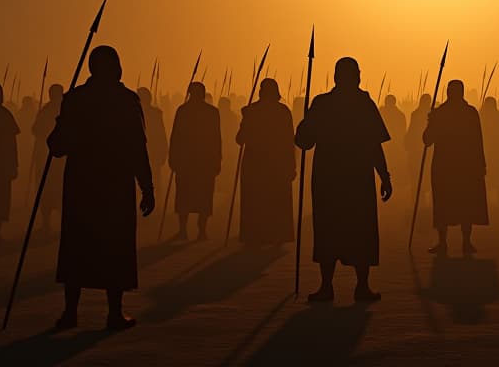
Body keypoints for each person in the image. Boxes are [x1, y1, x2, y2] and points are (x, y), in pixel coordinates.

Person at [47, 46, 155, 330]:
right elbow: (137, 148)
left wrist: (61, 125)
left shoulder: (75, 99)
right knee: (113, 245)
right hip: (114, 184)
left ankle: (71, 312)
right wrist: (147, 185)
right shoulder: (126, 100)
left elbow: (57, 146)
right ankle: (113, 313)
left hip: (82, 183)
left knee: (77, 244)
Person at [295, 57, 392, 303]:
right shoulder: (332, 104)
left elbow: (374, 144)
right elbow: (305, 142)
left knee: (355, 231)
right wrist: (304, 127)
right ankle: (331, 287)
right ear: (341, 76)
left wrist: (384, 174)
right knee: (336, 231)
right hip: (341, 178)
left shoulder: (346, 103)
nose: (357, 77)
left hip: (345, 178)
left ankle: (358, 287)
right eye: (354, 73)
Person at [423, 80, 488, 256]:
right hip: (459, 165)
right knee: (460, 203)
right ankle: (460, 242)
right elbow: (428, 140)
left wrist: (431, 121)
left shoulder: (442, 114)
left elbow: (427, 140)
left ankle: (451, 242)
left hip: (449, 166)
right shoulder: (467, 113)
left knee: (451, 202)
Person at [236, 78, 296, 246]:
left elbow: (240, 139)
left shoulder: (252, 112)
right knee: (275, 200)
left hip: (256, 164)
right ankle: (276, 235)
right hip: (276, 164)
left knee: (256, 200)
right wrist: (291, 166)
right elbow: (289, 142)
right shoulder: (283, 112)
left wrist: (246, 118)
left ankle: (255, 235)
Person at [168, 82, 222, 241]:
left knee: (197, 195)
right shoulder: (189, 111)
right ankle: (192, 230)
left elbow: (216, 138)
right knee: (191, 195)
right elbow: (176, 136)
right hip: (193, 161)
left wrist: (217, 159)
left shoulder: (186, 111)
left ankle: (195, 230)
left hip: (197, 161)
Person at [33, 84, 66, 234]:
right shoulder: (46, 111)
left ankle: (61, 223)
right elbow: (35, 129)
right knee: (46, 191)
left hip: (61, 159)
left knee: (60, 191)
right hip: (46, 156)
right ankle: (46, 222)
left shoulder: (66, 110)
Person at [0, 82, 18, 244]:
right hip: (3, 165)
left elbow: (12, 144)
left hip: (3, 165)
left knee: (2, 200)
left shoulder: (5, 115)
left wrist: (14, 165)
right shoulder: (4, 114)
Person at [138, 87, 168, 198]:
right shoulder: (135, 112)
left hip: (152, 152)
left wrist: (164, 151)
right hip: (143, 151)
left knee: (154, 178)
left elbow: (161, 133)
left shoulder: (155, 114)